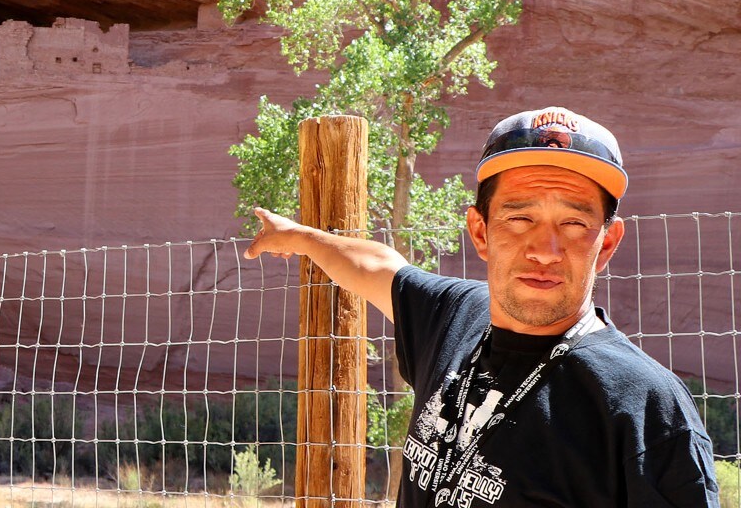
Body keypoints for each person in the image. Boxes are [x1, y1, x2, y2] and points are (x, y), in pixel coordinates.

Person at [245, 107, 719, 507]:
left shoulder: (647, 407)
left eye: (574, 223)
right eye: (519, 218)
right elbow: (375, 267)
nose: (545, 249)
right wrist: (300, 237)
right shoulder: (455, 315)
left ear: (608, 241)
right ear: (480, 232)